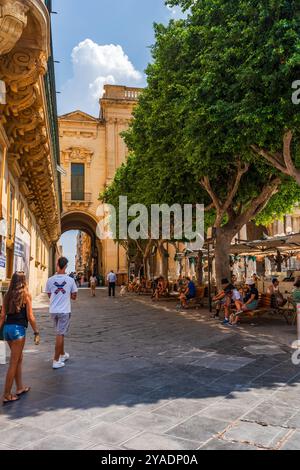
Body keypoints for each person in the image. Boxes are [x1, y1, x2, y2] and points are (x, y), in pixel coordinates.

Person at [0, 272, 40, 405]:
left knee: (18, 358)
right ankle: (6, 394)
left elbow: (2, 315)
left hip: (7, 330)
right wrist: (36, 332)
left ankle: (19, 387)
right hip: (18, 331)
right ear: (24, 281)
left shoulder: (7, 295)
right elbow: (30, 316)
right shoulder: (26, 295)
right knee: (14, 362)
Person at [46, 257, 78, 370]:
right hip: (64, 310)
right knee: (60, 334)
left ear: (57, 265)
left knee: (60, 332)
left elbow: (49, 295)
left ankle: (62, 354)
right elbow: (74, 297)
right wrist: (66, 294)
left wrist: (58, 295)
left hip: (53, 310)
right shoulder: (70, 280)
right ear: (65, 266)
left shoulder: (50, 280)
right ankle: (56, 360)